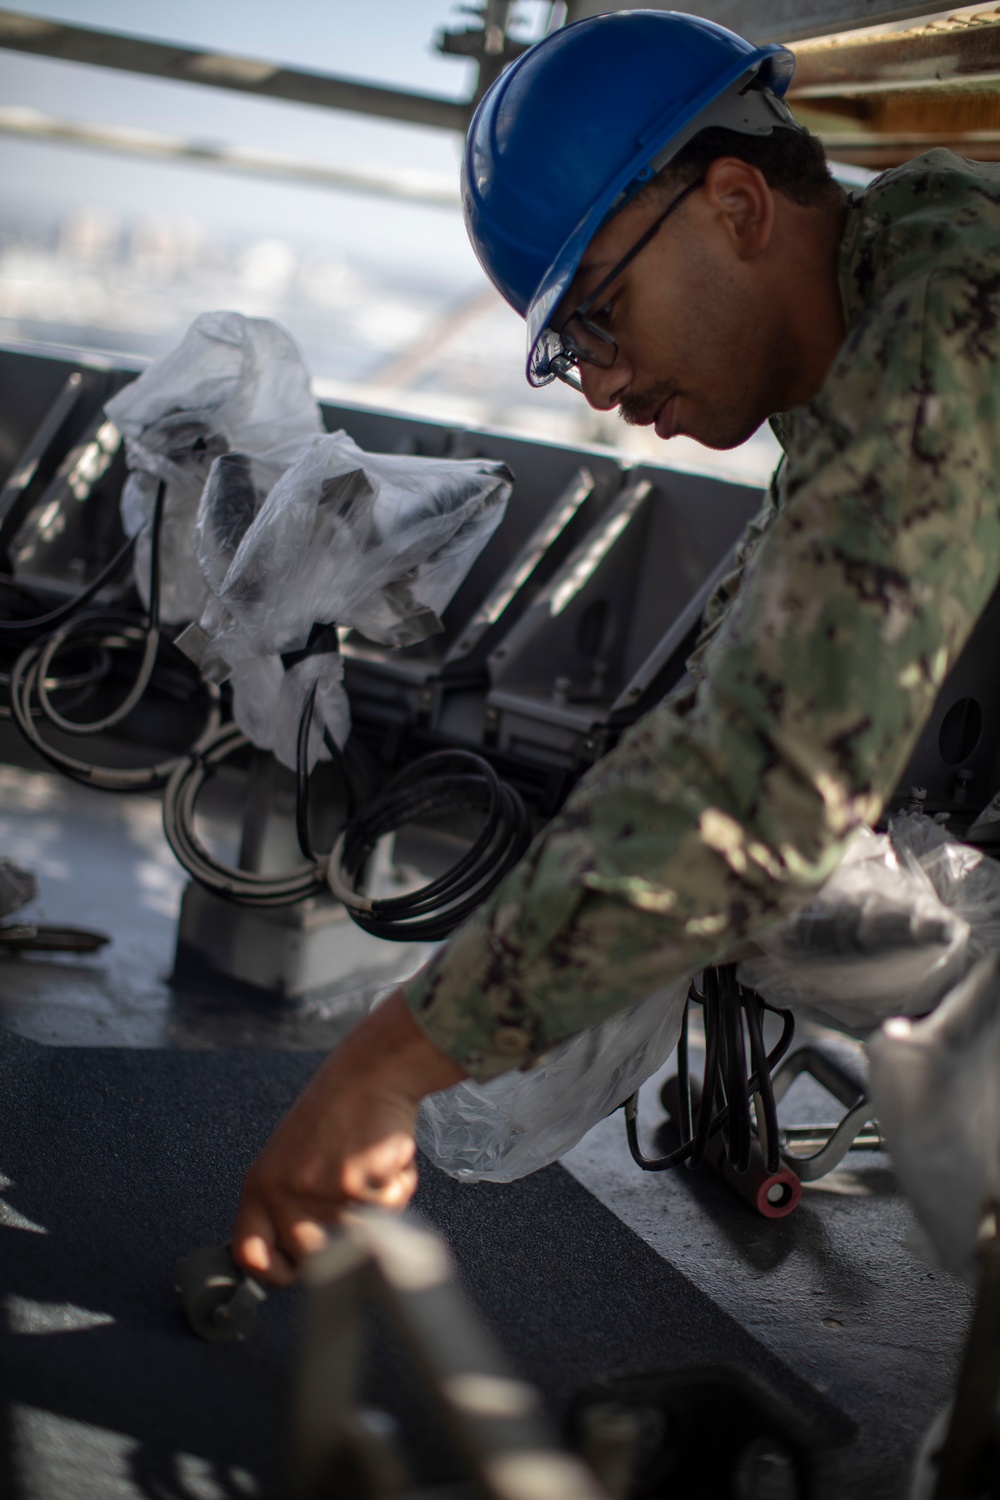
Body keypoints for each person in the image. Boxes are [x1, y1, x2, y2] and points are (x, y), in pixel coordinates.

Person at [233, 10, 1000, 1284]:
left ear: (738, 206)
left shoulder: (951, 308)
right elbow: (750, 670)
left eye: (597, 313)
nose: (595, 386)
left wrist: (390, 1066)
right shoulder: (877, 335)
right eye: (568, 347)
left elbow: (769, 769)